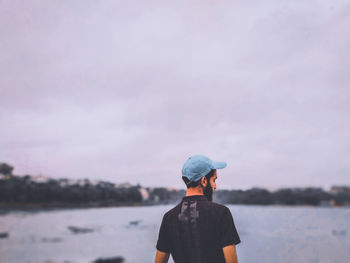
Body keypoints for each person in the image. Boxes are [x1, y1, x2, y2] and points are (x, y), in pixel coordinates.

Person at [155, 155, 241, 263]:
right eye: (214, 180)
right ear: (204, 181)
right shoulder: (221, 213)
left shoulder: (169, 217)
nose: (215, 186)